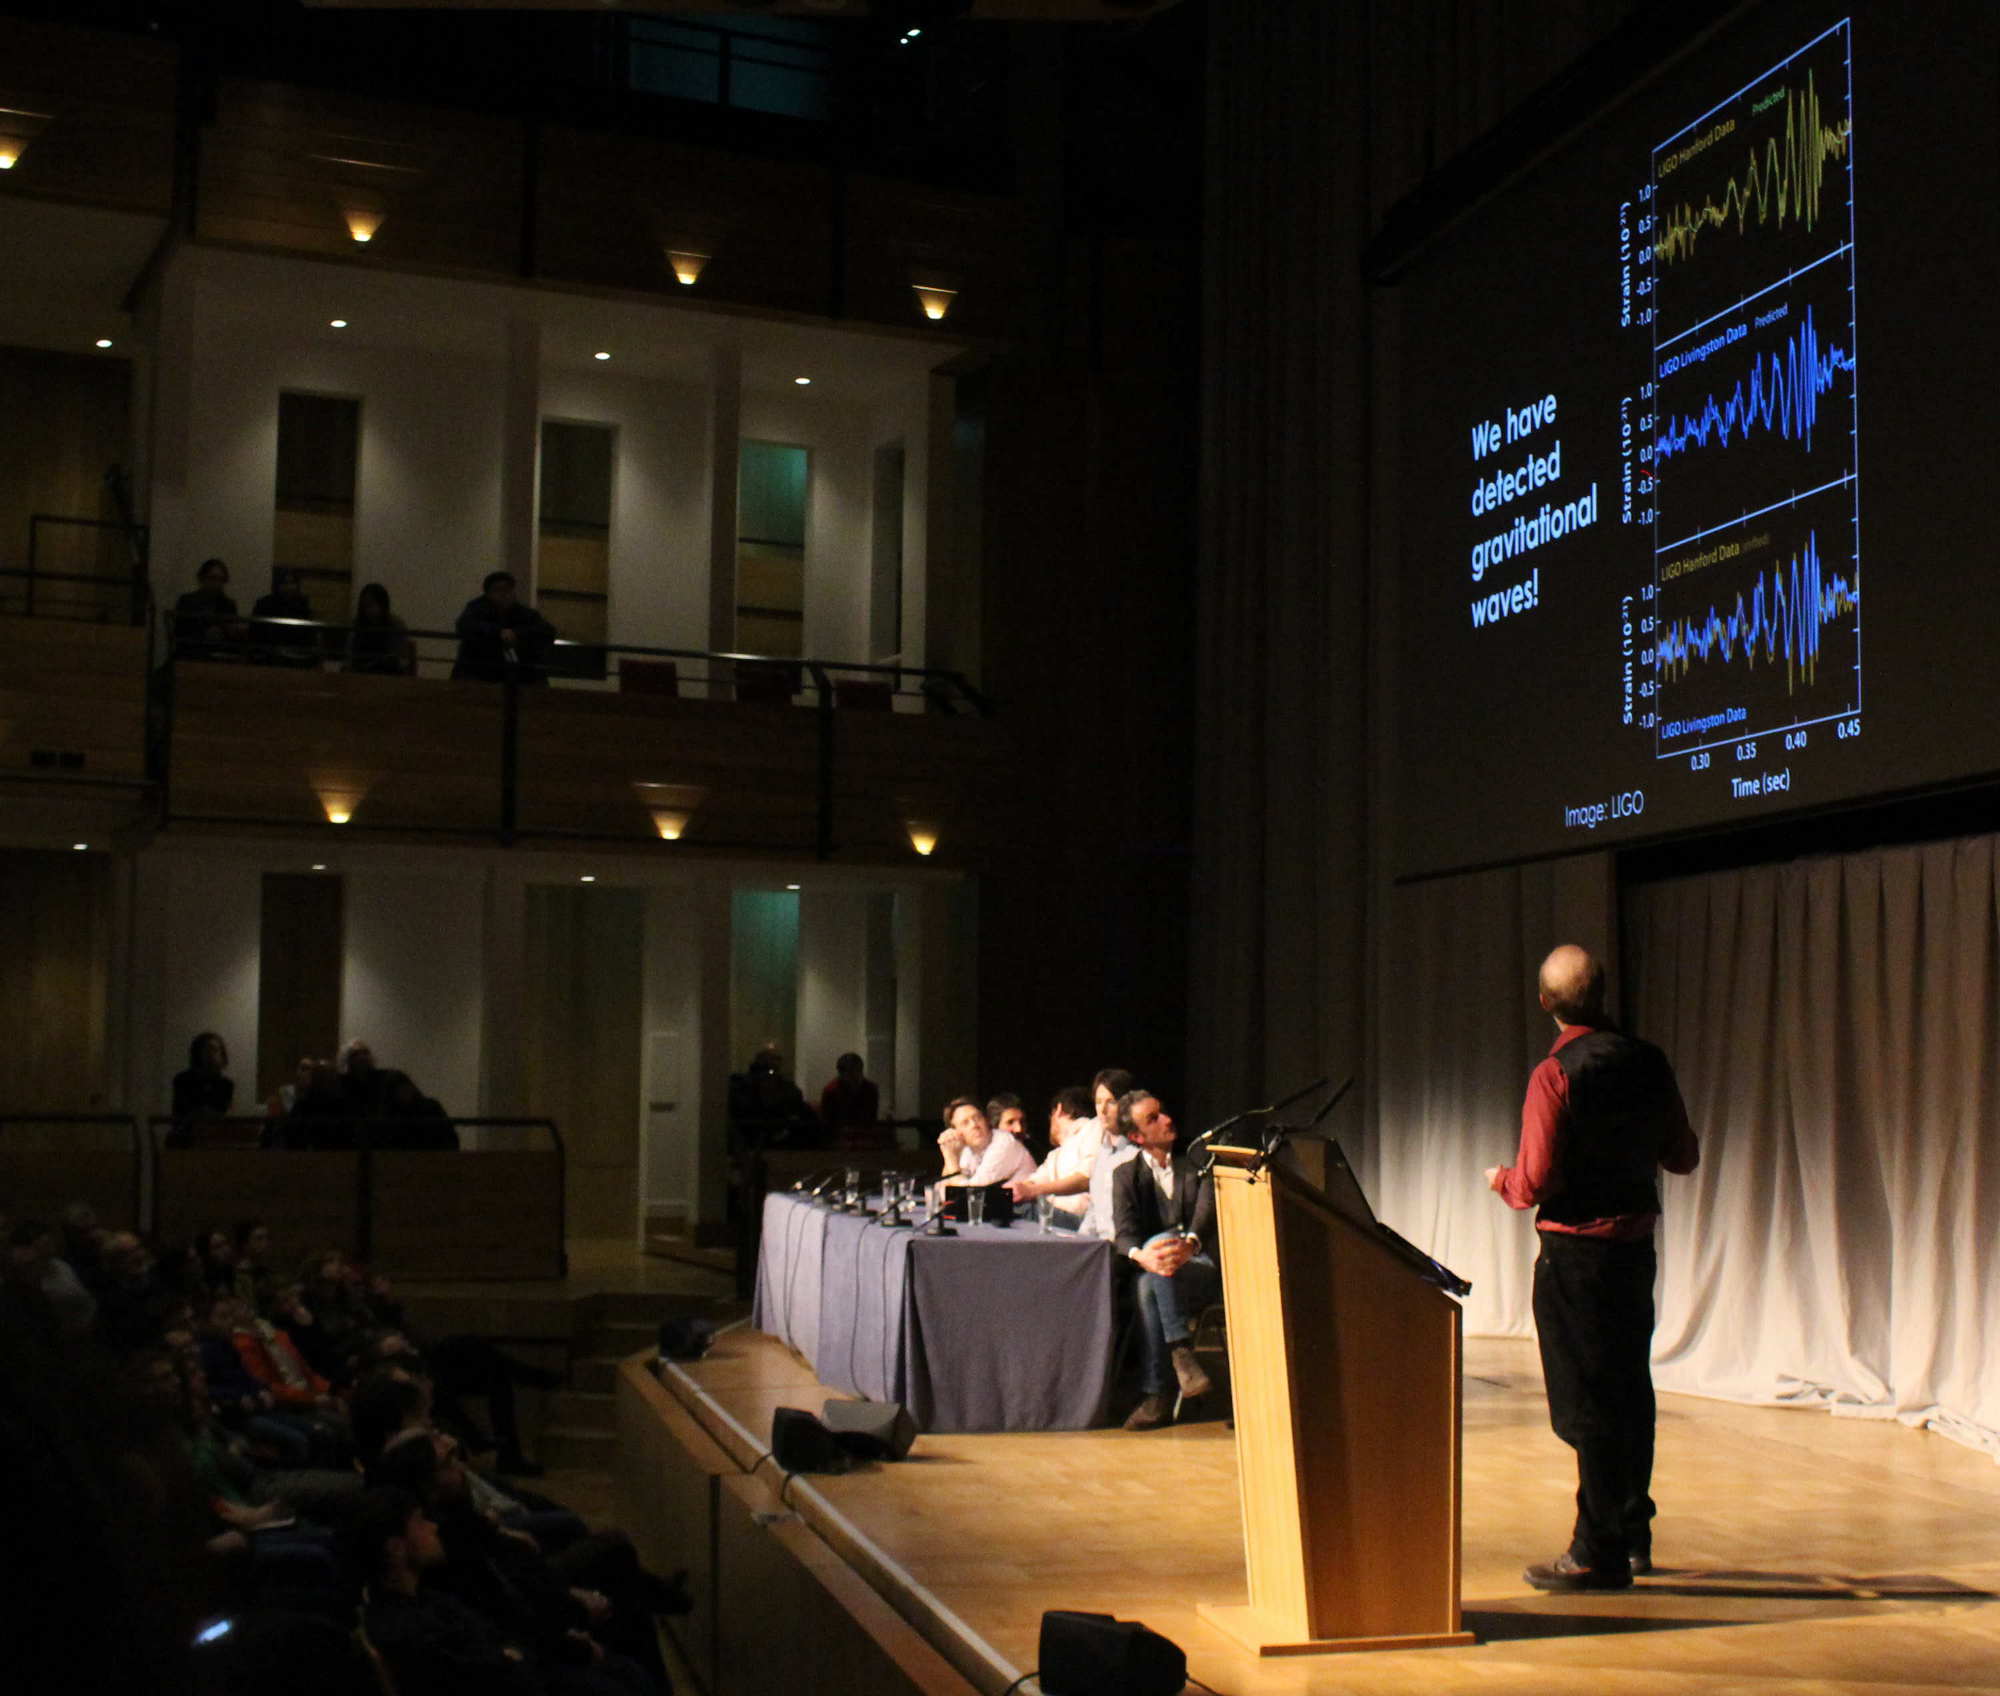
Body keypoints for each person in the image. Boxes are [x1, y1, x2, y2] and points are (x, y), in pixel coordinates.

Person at [1484, 943, 1700, 1592]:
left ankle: (1595, 1549)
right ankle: (1633, 1532)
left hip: (1575, 1257)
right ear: (1601, 995)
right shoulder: (1649, 1062)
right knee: (1630, 1392)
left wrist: (1503, 1180)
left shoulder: (1555, 1074)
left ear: (1546, 1003)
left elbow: (1537, 1180)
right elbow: (1683, 1155)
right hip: (1634, 1253)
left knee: (1585, 1408)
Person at [1110, 1088, 1220, 1429]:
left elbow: (1206, 1216)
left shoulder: (1197, 1164)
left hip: (1199, 1269)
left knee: (1157, 1255)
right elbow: (1125, 1235)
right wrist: (1143, 1256)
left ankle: (1157, 1394)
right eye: (1153, 1119)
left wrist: (1189, 1243)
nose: (1168, 1120)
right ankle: (1180, 1359)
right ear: (1136, 1136)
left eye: (1164, 1112)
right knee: (1148, 1286)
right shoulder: (1125, 1175)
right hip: (1156, 1273)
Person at [1005, 1086, 1101, 1219]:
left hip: (1080, 1219)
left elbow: (1086, 1179)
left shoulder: (1093, 1128)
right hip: (1053, 1213)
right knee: (1004, 1204)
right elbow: (1035, 1181)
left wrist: (1033, 1191)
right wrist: (1013, 1191)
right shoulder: (1056, 1154)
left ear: (1059, 1110)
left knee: (1019, 1209)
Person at [452, 570, 557, 684]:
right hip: (479, 672)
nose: (504, 594)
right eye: (498, 590)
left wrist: (517, 633)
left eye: (508, 589)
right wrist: (498, 633)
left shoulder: (524, 613)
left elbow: (547, 630)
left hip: (518, 674)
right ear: (488, 594)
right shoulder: (476, 608)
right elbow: (464, 626)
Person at [1081, 1066, 1140, 1238]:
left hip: (1126, 1250)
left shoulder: (1137, 1154)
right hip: (1099, 1247)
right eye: (1098, 1102)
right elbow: (1094, 1211)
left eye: (1111, 1101)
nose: (1102, 1110)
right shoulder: (1102, 1152)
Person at [936, 1095, 1035, 1187]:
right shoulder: (966, 1149)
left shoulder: (1004, 1143)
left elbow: (971, 1193)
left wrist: (950, 1158)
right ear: (956, 1132)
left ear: (987, 1120)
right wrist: (950, 1154)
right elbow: (941, 1191)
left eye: (978, 1118)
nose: (974, 1125)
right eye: (965, 1123)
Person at [173, 557, 246, 658]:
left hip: (220, 656)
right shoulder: (187, 601)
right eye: (213, 578)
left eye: (221, 580)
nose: (217, 584)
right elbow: (179, 632)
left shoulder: (228, 604)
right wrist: (204, 634)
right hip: (192, 655)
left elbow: (232, 637)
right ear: (202, 579)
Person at [249, 567, 321, 666]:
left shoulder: (302, 605)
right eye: (284, 583)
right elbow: (256, 633)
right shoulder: (264, 604)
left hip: (297, 655)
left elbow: (309, 635)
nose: (289, 587)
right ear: (277, 585)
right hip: (270, 655)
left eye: (292, 583)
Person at [817, 1052, 884, 1151]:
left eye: (855, 1071)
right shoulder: (832, 1090)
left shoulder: (870, 1089)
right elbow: (827, 1120)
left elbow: (871, 1117)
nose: (853, 1076)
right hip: (839, 1135)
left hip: (862, 1135)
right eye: (849, 1072)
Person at [347, 580, 415, 676]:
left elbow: (400, 660)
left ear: (383, 605)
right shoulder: (357, 625)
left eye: (373, 604)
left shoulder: (396, 625)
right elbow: (350, 656)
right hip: (361, 675)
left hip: (389, 676)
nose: (369, 609)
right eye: (366, 606)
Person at [171, 1031, 235, 1133]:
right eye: (207, 1049)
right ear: (198, 1053)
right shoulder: (183, 1080)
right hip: (185, 1136)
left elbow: (220, 1114)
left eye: (215, 1050)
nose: (211, 1054)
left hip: (213, 1136)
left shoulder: (226, 1084)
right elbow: (183, 1112)